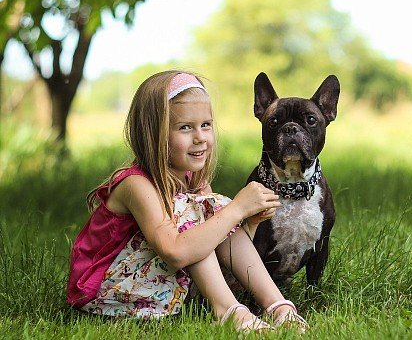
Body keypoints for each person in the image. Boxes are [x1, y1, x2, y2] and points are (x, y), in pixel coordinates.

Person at [67, 70, 307, 333]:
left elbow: (218, 242)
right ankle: (228, 311)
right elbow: (175, 252)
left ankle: (278, 306)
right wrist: (236, 209)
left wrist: (247, 221)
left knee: (209, 213)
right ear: (154, 134)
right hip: (105, 291)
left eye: (206, 125)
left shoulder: (193, 182)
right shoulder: (136, 184)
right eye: (185, 127)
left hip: (160, 285)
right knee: (202, 212)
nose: (200, 137)